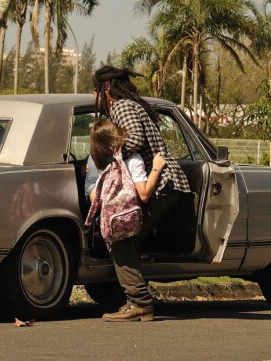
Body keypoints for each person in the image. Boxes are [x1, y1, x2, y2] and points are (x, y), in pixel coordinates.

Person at [91, 65, 191, 322]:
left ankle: (140, 303)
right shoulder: (130, 105)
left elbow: (134, 141)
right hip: (165, 182)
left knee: (121, 238)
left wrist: (105, 155)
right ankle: (134, 301)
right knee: (127, 239)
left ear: (107, 88)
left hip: (160, 184)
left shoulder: (121, 106)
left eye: (95, 91)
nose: (95, 98)